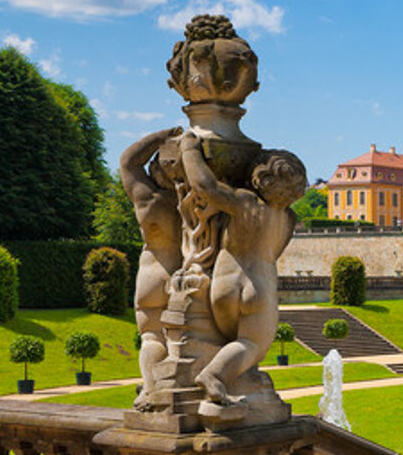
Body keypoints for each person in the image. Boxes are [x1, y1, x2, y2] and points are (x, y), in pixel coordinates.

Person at [178, 131, 306, 404]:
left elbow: (205, 186)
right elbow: (273, 255)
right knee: (252, 344)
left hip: (224, 284)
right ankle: (214, 374)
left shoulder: (245, 202)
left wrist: (189, 149)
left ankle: (225, 372)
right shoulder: (288, 219)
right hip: (258, 286)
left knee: (230, 339)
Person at [121, 126, 184, 411]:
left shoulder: (146, 198)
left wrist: (161, 136)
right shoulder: (190, 202)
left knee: (150, 337)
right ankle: (172, 391)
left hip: (150, 272)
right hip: (180, 272)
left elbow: (128, 161)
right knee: (177, 339)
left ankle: (149, 390)